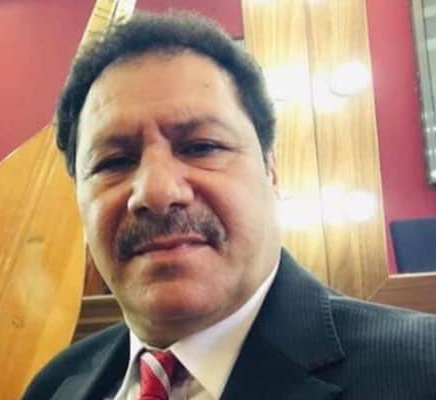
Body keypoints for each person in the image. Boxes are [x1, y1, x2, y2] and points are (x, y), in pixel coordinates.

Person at [22, 11, 436, 400]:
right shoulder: (55, 385)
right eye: (114, 162)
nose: (157, 191)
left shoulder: (421, 373)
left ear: (271, 170)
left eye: (201, 147)